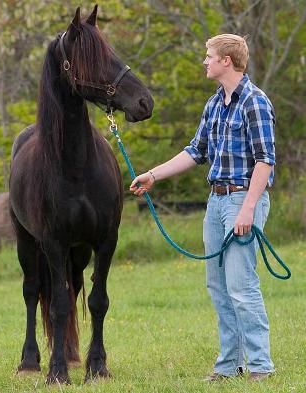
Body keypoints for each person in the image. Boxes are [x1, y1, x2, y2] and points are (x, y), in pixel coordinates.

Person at [129, 34, 275, 382]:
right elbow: (195, 152)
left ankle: (260, 366)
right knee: (219, 288)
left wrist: (248, 210)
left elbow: (265, 161)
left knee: (242, 286)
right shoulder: (214, 105)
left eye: (209, 56)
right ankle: (229, 365)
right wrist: (153, 175)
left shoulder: (255, 102)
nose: (204, 61)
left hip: (243, 199)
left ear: (227, 61)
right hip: (216, 201)